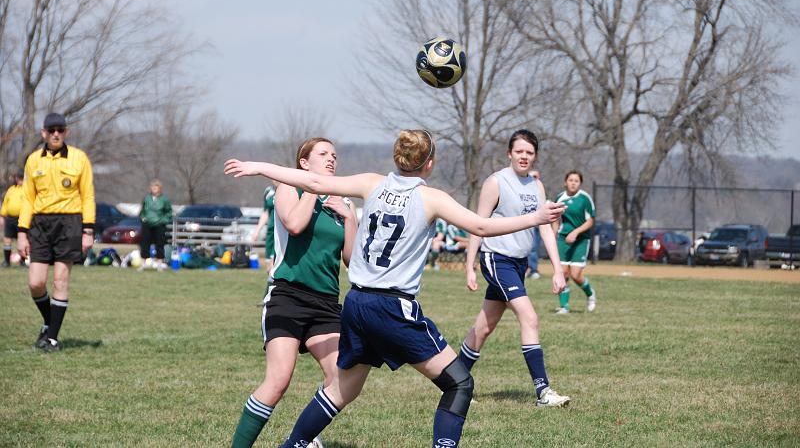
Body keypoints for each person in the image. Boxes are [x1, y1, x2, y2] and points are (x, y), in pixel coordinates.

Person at [224, 129, 566, 448]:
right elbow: (481, 225)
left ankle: (292, 445)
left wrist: (259, 167)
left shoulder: (371, 183)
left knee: (344, 389)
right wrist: (535, 218)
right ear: (429, 163)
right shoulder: (431, 198)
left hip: (356, 303)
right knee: (459, 384)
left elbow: (312, 180)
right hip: (391, 307)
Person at [230, 137, 358, 448]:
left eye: (334, 155)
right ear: (304, 163)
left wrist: (350, 217)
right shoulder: (289, 188)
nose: (331, 159)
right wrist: (314, 189)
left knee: (341, 379)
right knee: (278, 382)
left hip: (326, 303)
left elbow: (351, 261)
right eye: (323, 154)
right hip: (287, 296)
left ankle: (302, 440)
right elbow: (295, 224)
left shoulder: (344, 200)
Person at [457, 130, 570, 408]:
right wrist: (470, 264)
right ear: (510, 153)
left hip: (518, 264)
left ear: (535, 156)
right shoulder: (496, 182)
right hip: (497, 259)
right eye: (519, 151)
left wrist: (557, 269)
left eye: (529, 153)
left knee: (484, 327)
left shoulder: (536, 186)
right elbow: (477, 225)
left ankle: (453, 382)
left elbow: (545, 229)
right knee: (529, 317)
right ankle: (543, 392)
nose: (524, 156)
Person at [17, 113, 95, 352]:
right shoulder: (33, 160)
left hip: (69, 223)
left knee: (60, 279)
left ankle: (52, 338)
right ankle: (49, 322)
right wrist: (22, 232)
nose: (56, 134)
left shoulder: (79, 158)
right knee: (35, 282)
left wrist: (88, 230)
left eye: (60, 130)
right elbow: (28, 198)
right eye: (51, 130)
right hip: (40, 225)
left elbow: (88, 196)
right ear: (43, 133)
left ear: (66, 132)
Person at [553, 170, 597, 314]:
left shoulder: (584, 198)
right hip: (563, 239)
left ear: (580, 183)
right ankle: (564, 306)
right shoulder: (559, 198)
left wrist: (575, 232)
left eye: (576, 181)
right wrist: (552, 237)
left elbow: (590, 221)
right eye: (570, 180)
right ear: (565, 182)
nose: (573, 183)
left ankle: (590, 294)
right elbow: (556, 220)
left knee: (576, 275)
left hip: (581, 240)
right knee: (563, 273)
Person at [139, 179, 172, 270]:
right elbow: (142, 211)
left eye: (156, 186)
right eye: (152, 186)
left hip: (159, 224)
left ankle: (159, 263)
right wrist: (143, 218)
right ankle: (143, 263)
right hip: (147, 224)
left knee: (159, 243)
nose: (154, 188)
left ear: (159, 188)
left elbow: (169, 212)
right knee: (145, 243)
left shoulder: (164, 199)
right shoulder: (147, 198)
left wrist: (163, 220)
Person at [1, 170, 25, 267]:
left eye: (21, 178)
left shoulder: (27, 189)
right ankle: (7, 262)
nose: (19, 180)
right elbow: (5, 203)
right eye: (18, 178)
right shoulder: (11, 189)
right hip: (10, 218)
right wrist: (2, 215)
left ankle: (23, 261)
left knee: (22, 239)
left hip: (22, 218)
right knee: (7, 239)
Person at [251, 183, 276, 273]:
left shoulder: (290, 189)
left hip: (282, 234)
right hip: (270, 234)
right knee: (268, 267)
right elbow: (265, 212)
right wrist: (257, 230)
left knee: (274, 267)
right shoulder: (269, 191)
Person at [525, 169, 542, 280]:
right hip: (521, 226)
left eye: (536, 177)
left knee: (532, 249)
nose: (534, 179)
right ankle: (524, 269)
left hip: (535, 227)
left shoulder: (540, 190)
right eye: (532, 176)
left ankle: (534, 270)